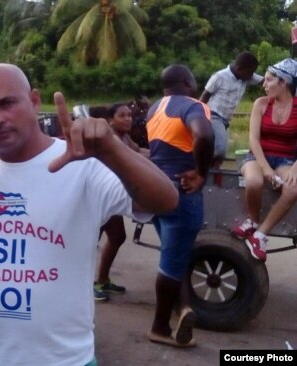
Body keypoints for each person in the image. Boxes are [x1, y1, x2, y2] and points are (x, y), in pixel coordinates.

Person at [0, 63, 178, 365]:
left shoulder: (83, 165)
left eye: (7, 103)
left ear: (34, 100)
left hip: (66, 359)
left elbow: (164, 201)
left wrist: (111, 149)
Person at [145, 64, 214, 348]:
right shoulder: (192, 105)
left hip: (155, 188)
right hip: (181, 191)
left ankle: (183, 308)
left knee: (176, 255)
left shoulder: (153, 109)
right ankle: (160, 328)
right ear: (187, 81)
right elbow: (205, 136)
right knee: (172, 262)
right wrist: (201, 172)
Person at [231, 58, 297, 262]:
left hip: (286, 160)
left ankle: (260, 234)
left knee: (293, 188)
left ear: (283, 83)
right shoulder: (261, 104)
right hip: (257, 156)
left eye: (268, 80)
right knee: (253, 181)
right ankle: (252, 219)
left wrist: (296, 167)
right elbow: (253, 139)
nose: (264, 85)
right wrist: (266, 169)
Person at [94, 102, 151, 302]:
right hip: (101, 198)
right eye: (122, 115)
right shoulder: (112, 139)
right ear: (110, 120)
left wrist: (162, 155)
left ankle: (101, 280)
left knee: (117, 237)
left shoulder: (125, 137)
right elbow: (134, 156)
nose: (128, 119)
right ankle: (89, 285)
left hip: (112, 199)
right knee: (91, 243)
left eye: (129, 115)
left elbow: (140, 152)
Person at [199, 51, 263, 166]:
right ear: (239, 68)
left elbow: (265, 81)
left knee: (219, 154)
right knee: (220, 150)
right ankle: (204, 170)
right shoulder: (219, 77)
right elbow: (204, 96)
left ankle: (214, 176)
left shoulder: (246, 76)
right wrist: (197, 116)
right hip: (213, 115)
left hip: (225, 121)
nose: (252, 75)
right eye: (250, 72)